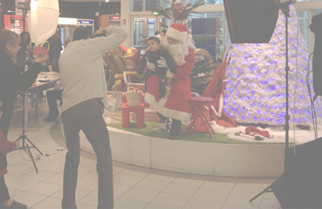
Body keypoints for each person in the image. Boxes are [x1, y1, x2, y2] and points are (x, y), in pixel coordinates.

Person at [59, 26, 128, 209]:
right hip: (88, 107)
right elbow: (123, 34)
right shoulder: (92, 45)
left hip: (67, 110)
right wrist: (105, 29)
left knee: (72, 157)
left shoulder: (65, 53)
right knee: (104, 158)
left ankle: (68, 204)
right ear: (89, 37)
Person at [0, 29, 48, 209]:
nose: (20, 48)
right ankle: (6, 201)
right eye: (17, 45)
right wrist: (38, 65)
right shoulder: (6, 66)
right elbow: (22, 84)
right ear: (8, 46)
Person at [144, 23, 196, 139]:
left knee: (180, 92)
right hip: (159, 75)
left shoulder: (188, 52)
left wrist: (169, 69)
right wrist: (149, 65)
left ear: (181, 41)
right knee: (152, 80)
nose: (171, 42)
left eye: (174, 40)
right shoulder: (163, 46)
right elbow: (150, 54)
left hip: (179, 79)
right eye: (169, 39)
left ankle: (176, 124)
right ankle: (161, 113)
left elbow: (186, 71)